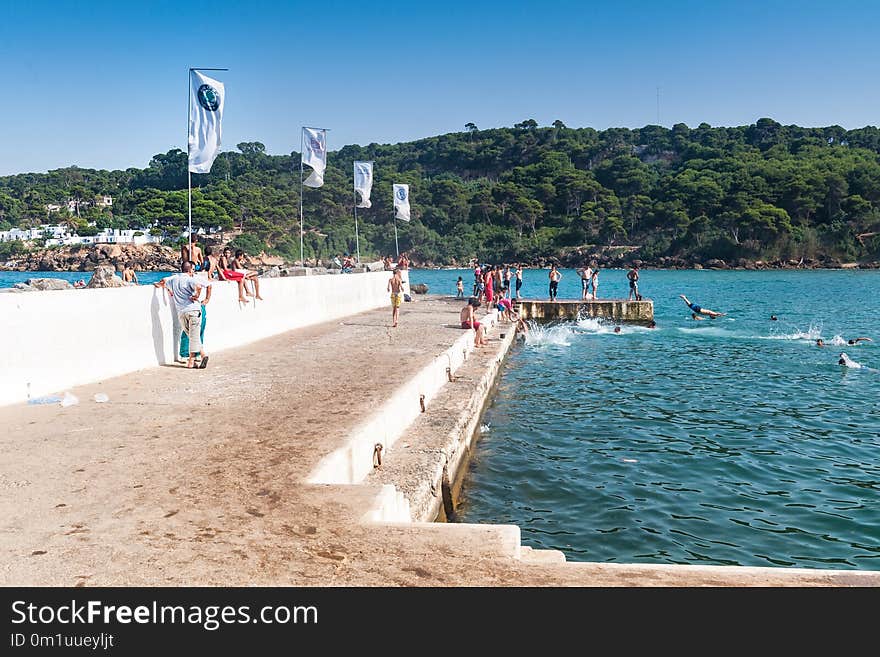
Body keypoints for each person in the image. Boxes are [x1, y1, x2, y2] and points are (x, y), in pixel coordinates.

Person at [153, 261, 208, 369]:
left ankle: (200, 356)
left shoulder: (173, 279)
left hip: (181, 312)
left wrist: (160, 286)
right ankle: (194, 360)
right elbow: (199, 286)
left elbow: (163, 282)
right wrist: (197, 296)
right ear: (190, 269)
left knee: (191, 336)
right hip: (194, 310)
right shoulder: (190, 279)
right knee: (194, 335)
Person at [179, 270, 213, 363]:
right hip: (188, 308)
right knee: (188, 331)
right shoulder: (181, 279)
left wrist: (206, 299)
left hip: (198, 307)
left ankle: (197, 354)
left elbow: (209, 285)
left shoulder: (197, 278)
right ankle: (185, 354)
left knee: (200, 330)